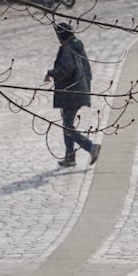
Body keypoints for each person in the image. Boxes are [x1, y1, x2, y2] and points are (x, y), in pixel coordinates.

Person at [44, 21, 101, 167]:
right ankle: (70, 157)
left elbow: (66, 69)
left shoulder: (67, 49)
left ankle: (91, 147)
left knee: (68, 126)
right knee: (66, 124)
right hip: (79, 90)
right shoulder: (77, 46)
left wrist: (51, 73)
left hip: (71, 93)